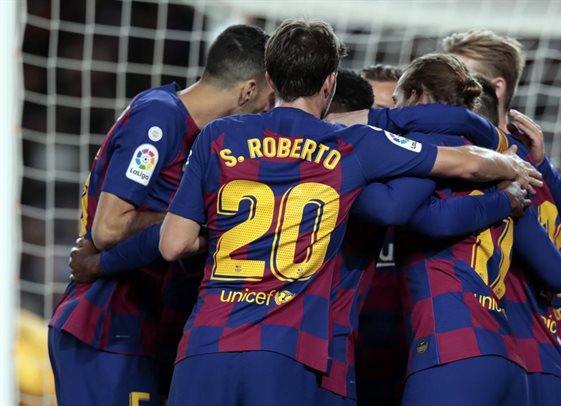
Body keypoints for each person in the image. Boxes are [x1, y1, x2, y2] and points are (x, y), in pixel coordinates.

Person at [158, 19, 541, 406]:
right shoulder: (350, 144)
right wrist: (511, 163)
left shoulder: (217, 135)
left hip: (206, 342)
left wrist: (229, 232)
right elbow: (467, 164)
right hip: (287, 347)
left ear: (269, 79)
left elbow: (173, 244)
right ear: (329, 83)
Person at [49, 24, 273, 406]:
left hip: (142, 325)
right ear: (248, 90)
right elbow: (108, 228)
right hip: (105, 323)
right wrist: (187, 222)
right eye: (269, 99)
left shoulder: (198, 139)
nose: (268, 112)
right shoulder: (160, 116)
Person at [381, 53, 561, 406]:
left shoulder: (431, 154)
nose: (396, 114)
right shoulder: (504, 172)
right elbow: (560, 271)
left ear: (418, 96)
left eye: (397, 102)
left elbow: (417, 215)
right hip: (506, 356)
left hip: (452, 343)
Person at [444, 30, 561, 405]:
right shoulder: (489, 158)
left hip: (517, 349)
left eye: (460, 75)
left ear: (496, 87)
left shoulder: (491, 163)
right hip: (537, 355)